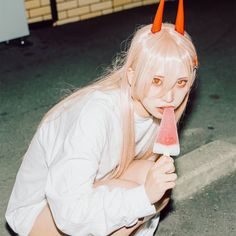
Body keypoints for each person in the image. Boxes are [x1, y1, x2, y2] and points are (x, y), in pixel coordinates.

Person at [5, 0, 198, 235]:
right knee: (141, 200)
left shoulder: (154, 109)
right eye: (157, 80)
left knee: (158, 185)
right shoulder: (95, 114)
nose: (170, 96)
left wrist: (148, 194)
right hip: (43, 211)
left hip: (97, 182)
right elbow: (68, 212)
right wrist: (143, 196)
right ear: (131, 75)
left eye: (181, 83)